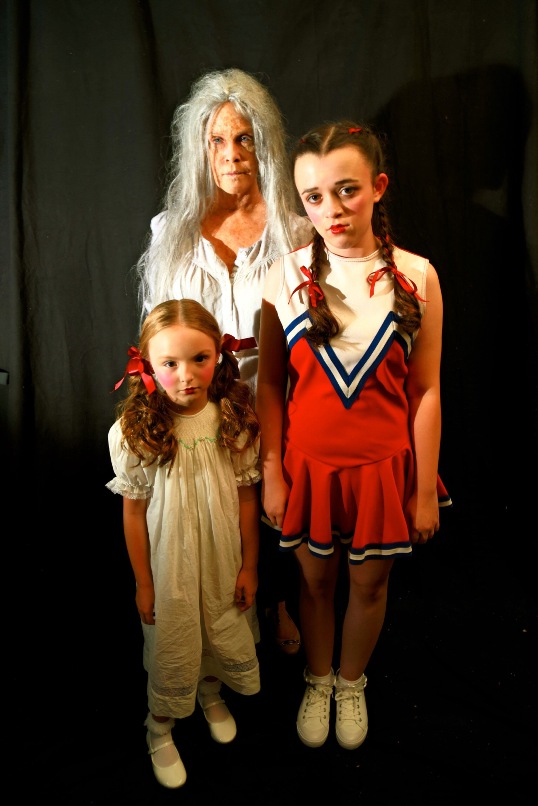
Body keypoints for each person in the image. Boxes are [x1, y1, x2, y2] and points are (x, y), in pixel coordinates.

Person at [256, 121, 452, 751]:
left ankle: (350, 681)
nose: (332, 209)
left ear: (378, 187)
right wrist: (272, 471)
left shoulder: (418, 275)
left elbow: (426, 390)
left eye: (347, 190)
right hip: (308, 469)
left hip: (383, 470)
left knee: (369, 585)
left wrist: (424, 489)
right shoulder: (282, 275)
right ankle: (317, 678)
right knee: (314, 583)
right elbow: (269, 385)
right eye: (313, 197)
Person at [136, 67, 314, 654]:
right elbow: (158, 328)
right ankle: (217, 629)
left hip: (278, 401)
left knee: (274, 514)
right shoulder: (172, 232)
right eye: (217, 140)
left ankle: (278, 603)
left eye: (244, 138)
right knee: (209, 522)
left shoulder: (295, 231)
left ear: (264, 145)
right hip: (198, 400)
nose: (232, 153)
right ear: (201, 149)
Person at [106, 299, 262, 788]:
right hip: (170, 563)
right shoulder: (137, 431)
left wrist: (250, 566)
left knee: (220, 620)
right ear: (147, 366)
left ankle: (210, 691)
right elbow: (134, 513)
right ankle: (160, 725)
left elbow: (246, 499)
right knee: (174, 639)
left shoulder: (232, 418)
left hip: (221, 556)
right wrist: (143, 583)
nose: (187, 375)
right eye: (169, 363)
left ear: (219, 355)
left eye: (200, 359)